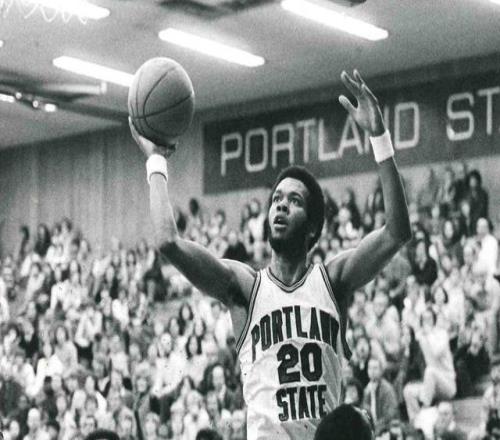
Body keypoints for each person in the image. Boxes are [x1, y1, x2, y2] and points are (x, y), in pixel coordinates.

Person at [129, 69, 411, 440]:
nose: (280, 206)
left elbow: (396, 232)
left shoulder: (333, 280)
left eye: (294, 201)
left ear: (312, 228)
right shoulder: (245, 287)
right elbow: (168, 242)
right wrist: (155, 161)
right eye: (276, 199)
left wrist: (380, 138)